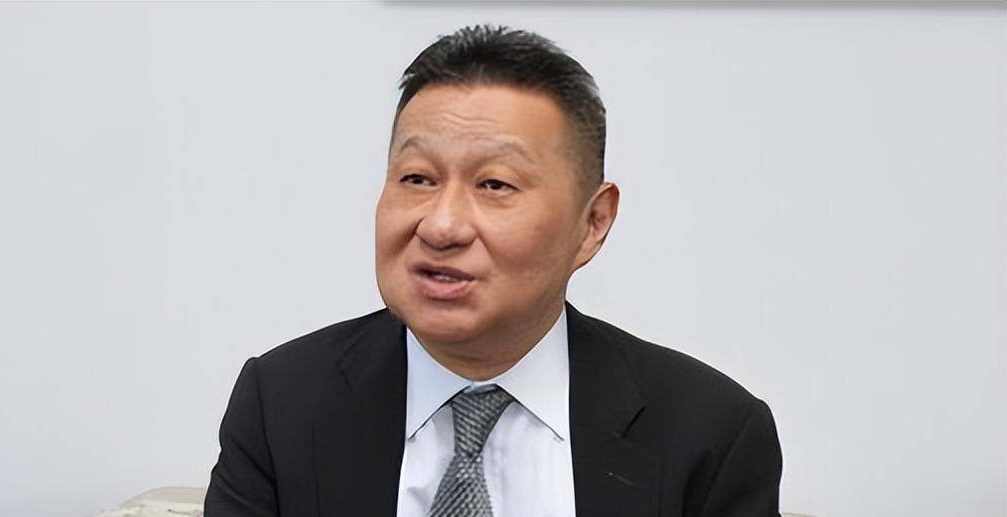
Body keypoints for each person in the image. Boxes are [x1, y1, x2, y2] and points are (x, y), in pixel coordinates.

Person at [204, 25, 782, 517]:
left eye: (495, 184)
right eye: (417, 179)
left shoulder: (710, 435)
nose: (441, 226)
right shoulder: (282, 405)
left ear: (593, 223)